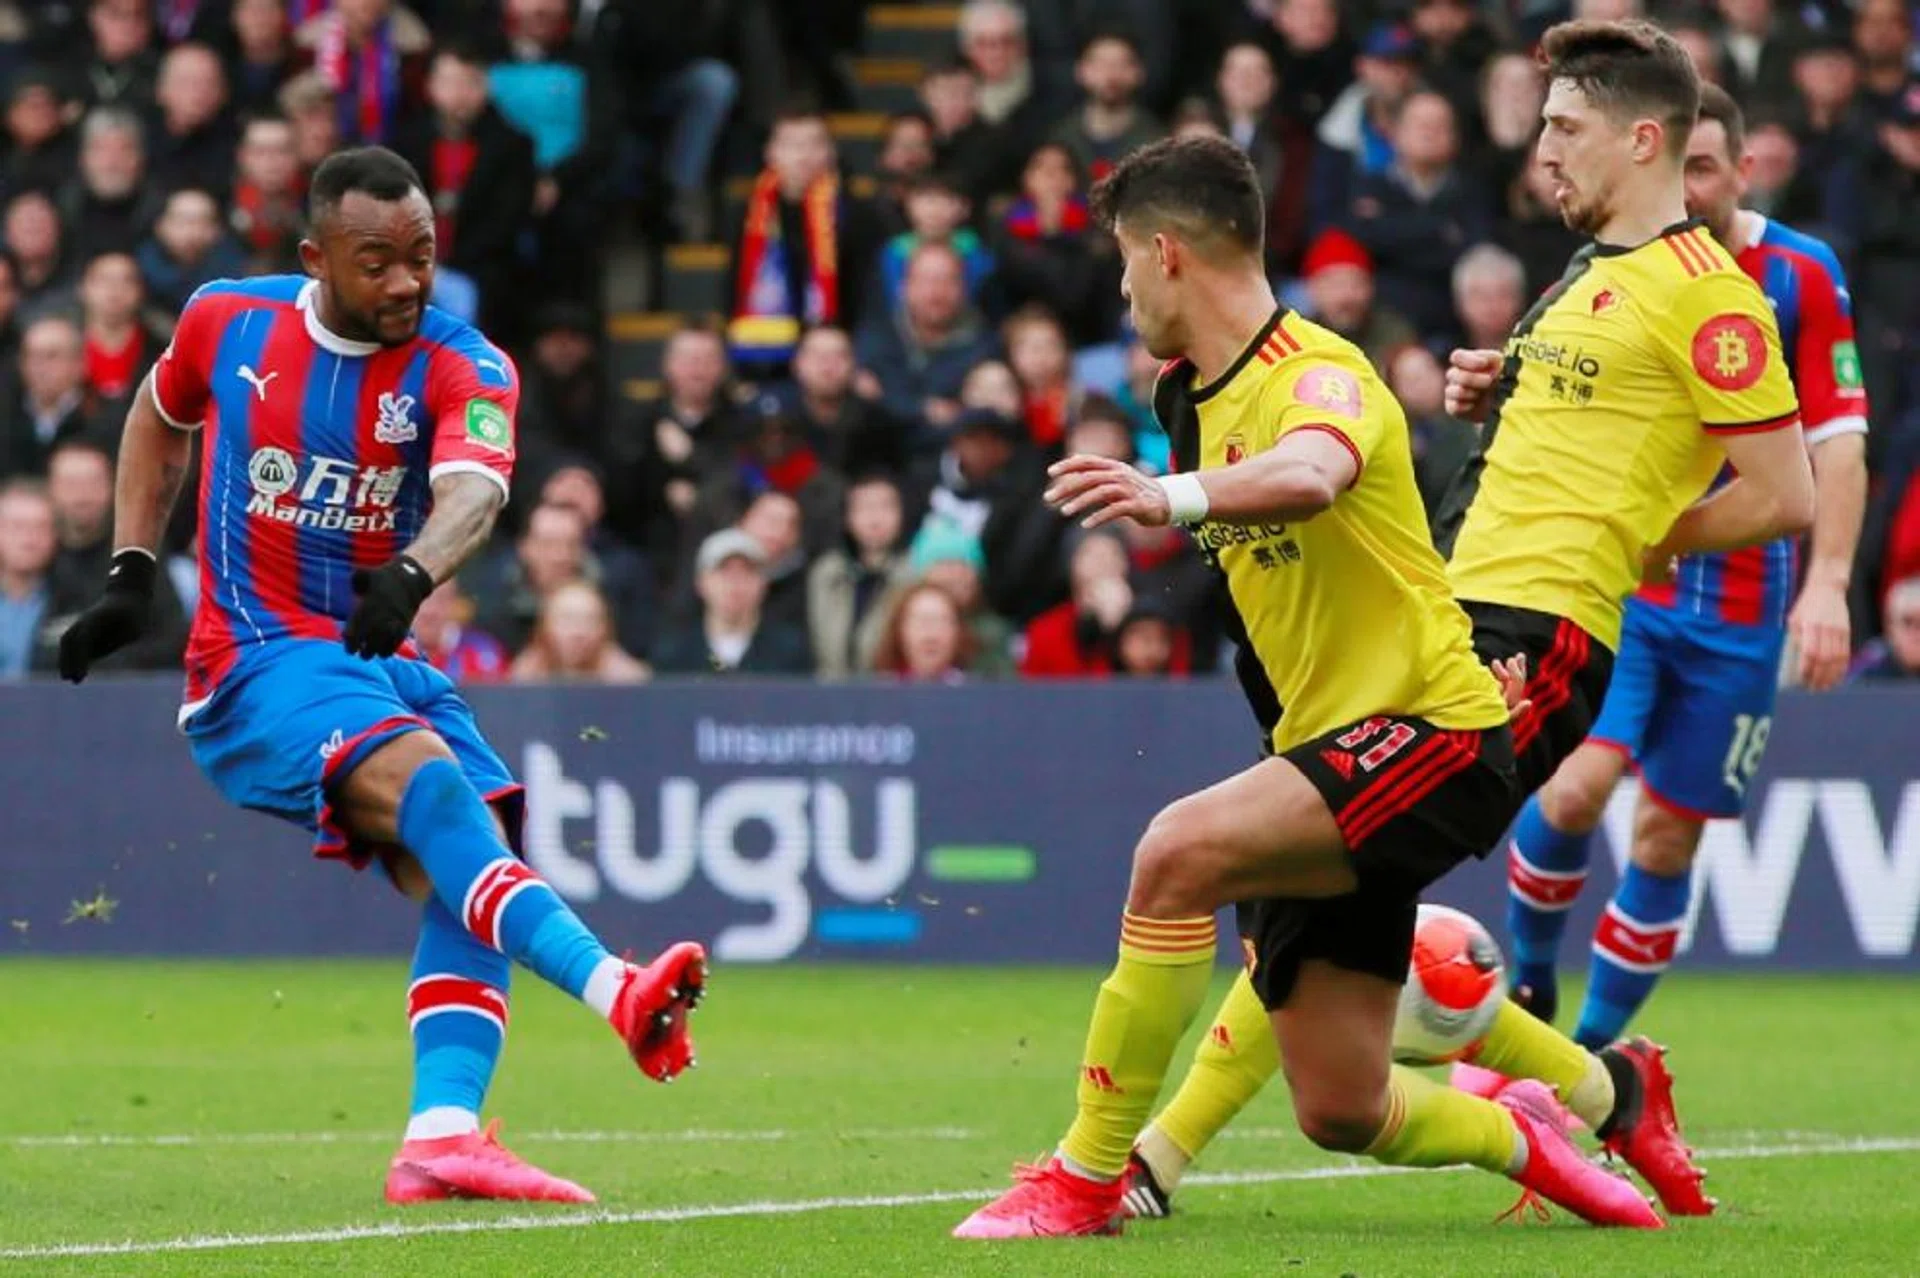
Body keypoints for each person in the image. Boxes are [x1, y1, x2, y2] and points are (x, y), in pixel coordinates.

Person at [1119, 22, 1818, 1226]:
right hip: (1453, 610)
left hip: (1537, 640)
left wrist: (1643, 536)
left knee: (1294, 847)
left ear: (1642, 137)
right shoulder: (1588, 276)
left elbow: (1782, 493)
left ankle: (1146, 1157)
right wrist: (1506, 386)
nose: (1541, 147)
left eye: (1564, 127)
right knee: (1311, 879)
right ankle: (1603, 1097)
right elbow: (1604, 413)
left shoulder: (1712, 295)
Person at [953, 131, 1687, 1241]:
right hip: (1327, 750)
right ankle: (1528, 1130)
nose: (1120, 291)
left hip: (1431, 733)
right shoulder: (1184, 395)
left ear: (1165, 254)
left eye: (1121, 265)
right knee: (1343, 1110)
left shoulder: (1323, 373)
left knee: (1175, 853)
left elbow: (1308, 474)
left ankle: (1086, 1177)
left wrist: (1176, 498)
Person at [53, 147, 707, 1206]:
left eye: (423, 256)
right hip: (256, 658)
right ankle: (620, 992)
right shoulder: (229, 321)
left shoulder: (468, 363)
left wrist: (414, 569)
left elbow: (474, 493)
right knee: (443, 798)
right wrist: (132, 571)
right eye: (377, 262)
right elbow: (158, 414)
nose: (407, 281)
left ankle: (442, 1135)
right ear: (316, 258)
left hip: (375, 651)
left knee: (471, 850)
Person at [1497, 84, 1869, 1045]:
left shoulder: (1798, 275)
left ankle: (1581, 1063)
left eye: (1705, 168)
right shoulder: (1617, 264)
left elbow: (1837, 442)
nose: (1688, 187)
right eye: (1678, 167)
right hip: (1632, 593)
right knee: (1574, 788)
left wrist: (1827, 584)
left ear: (1742, 171)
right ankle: (1527, 993)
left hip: (1745, 608)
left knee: (1667, 834)